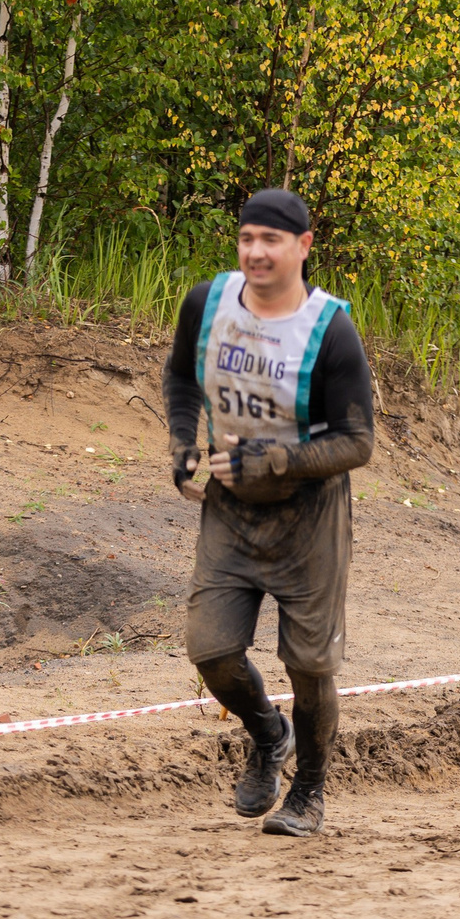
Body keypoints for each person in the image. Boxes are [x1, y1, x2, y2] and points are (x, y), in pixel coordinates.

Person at [164, 188, 374, 838]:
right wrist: (181, 440)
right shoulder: (208, 302)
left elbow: (356, 441)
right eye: (247, 238)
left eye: (271, 241)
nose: (256, 252)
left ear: (304, 247)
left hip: (310, 518)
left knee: (309, 666)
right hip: (230, 507)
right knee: (211, 649)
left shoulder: (330, 328)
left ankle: (308, 791)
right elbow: (179, 377)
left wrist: (274, 460)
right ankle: (268, 733)